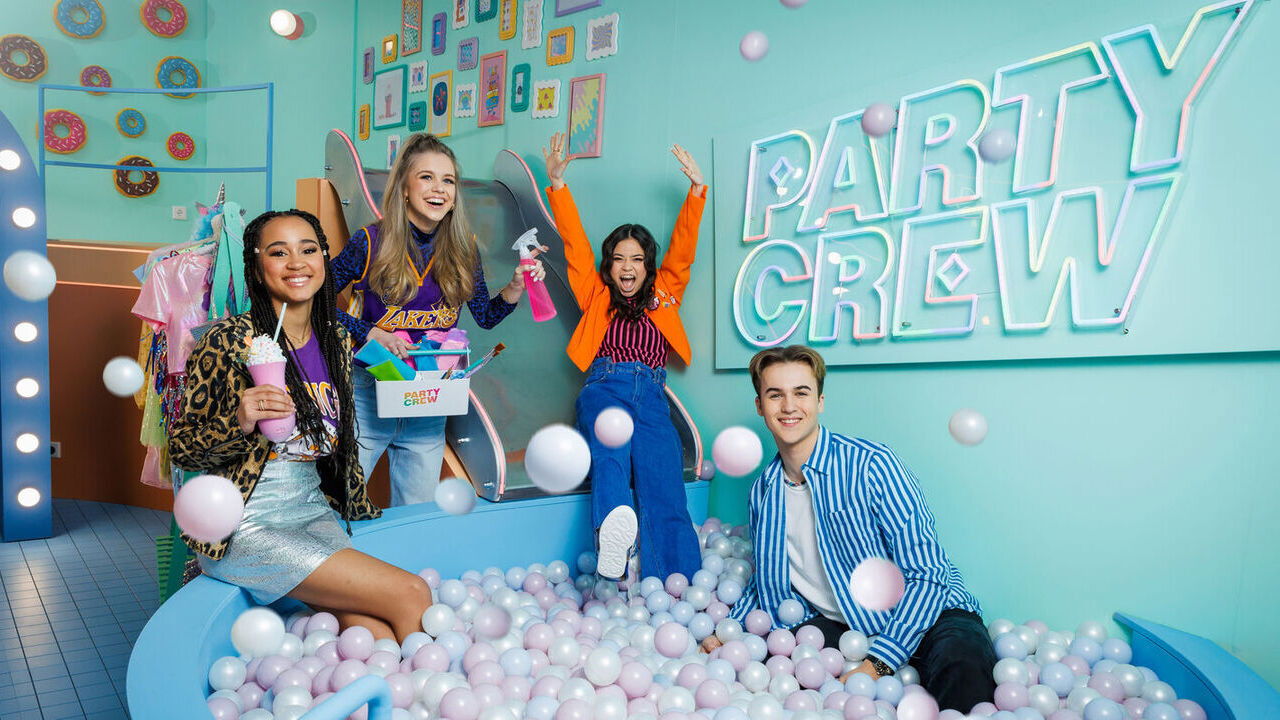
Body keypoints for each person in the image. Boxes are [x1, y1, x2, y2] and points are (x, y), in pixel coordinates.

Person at [169, 209, 432, 642]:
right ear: (257, 267)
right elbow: (183, 449)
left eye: (308, 250)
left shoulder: (336, 342)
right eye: (278, 253)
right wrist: (239, 421)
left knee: (373, 634)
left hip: (312, 511)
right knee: (411, 592)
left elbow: (334, 445)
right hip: (248, 523)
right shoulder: (228, 341)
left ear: (324, 259)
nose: (296, 263)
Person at [706, 345, 996, 712]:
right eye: (775, 395)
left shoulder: (873, 465)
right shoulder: (763, 492)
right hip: (847, 628)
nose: (789, 406)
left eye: (801, 393)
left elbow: (929, 573)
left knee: (963, 666)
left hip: (930, 612)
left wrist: (879, 663)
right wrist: (728, 632)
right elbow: (766, 581)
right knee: (780, 676)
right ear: (760, 406)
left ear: (820, 401)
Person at [331, 132, 543, 506]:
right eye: (426, 177)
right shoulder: (369, 242)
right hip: (370, 393)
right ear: (404, 187)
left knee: (417, 512)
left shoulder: (464, 250)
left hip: (430, 400)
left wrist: (514, 287)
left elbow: (486, 316)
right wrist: (368, 332)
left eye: (448, 180)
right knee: (344, 505)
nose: (439, 189)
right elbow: (313, 303)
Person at [542, 132, 705, 583]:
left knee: (664, 480)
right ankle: (614, 542)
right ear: (609, 266)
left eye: (636, 259)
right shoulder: (595, 295)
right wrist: (558, 186)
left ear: (648, 266)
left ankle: (675, 582)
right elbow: (575, 247)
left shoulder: (665, 294)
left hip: (652, 396)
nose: (627, 267)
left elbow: (683, 252)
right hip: (606, 386)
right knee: (610, 457)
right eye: (618, 259)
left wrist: (696, 192)